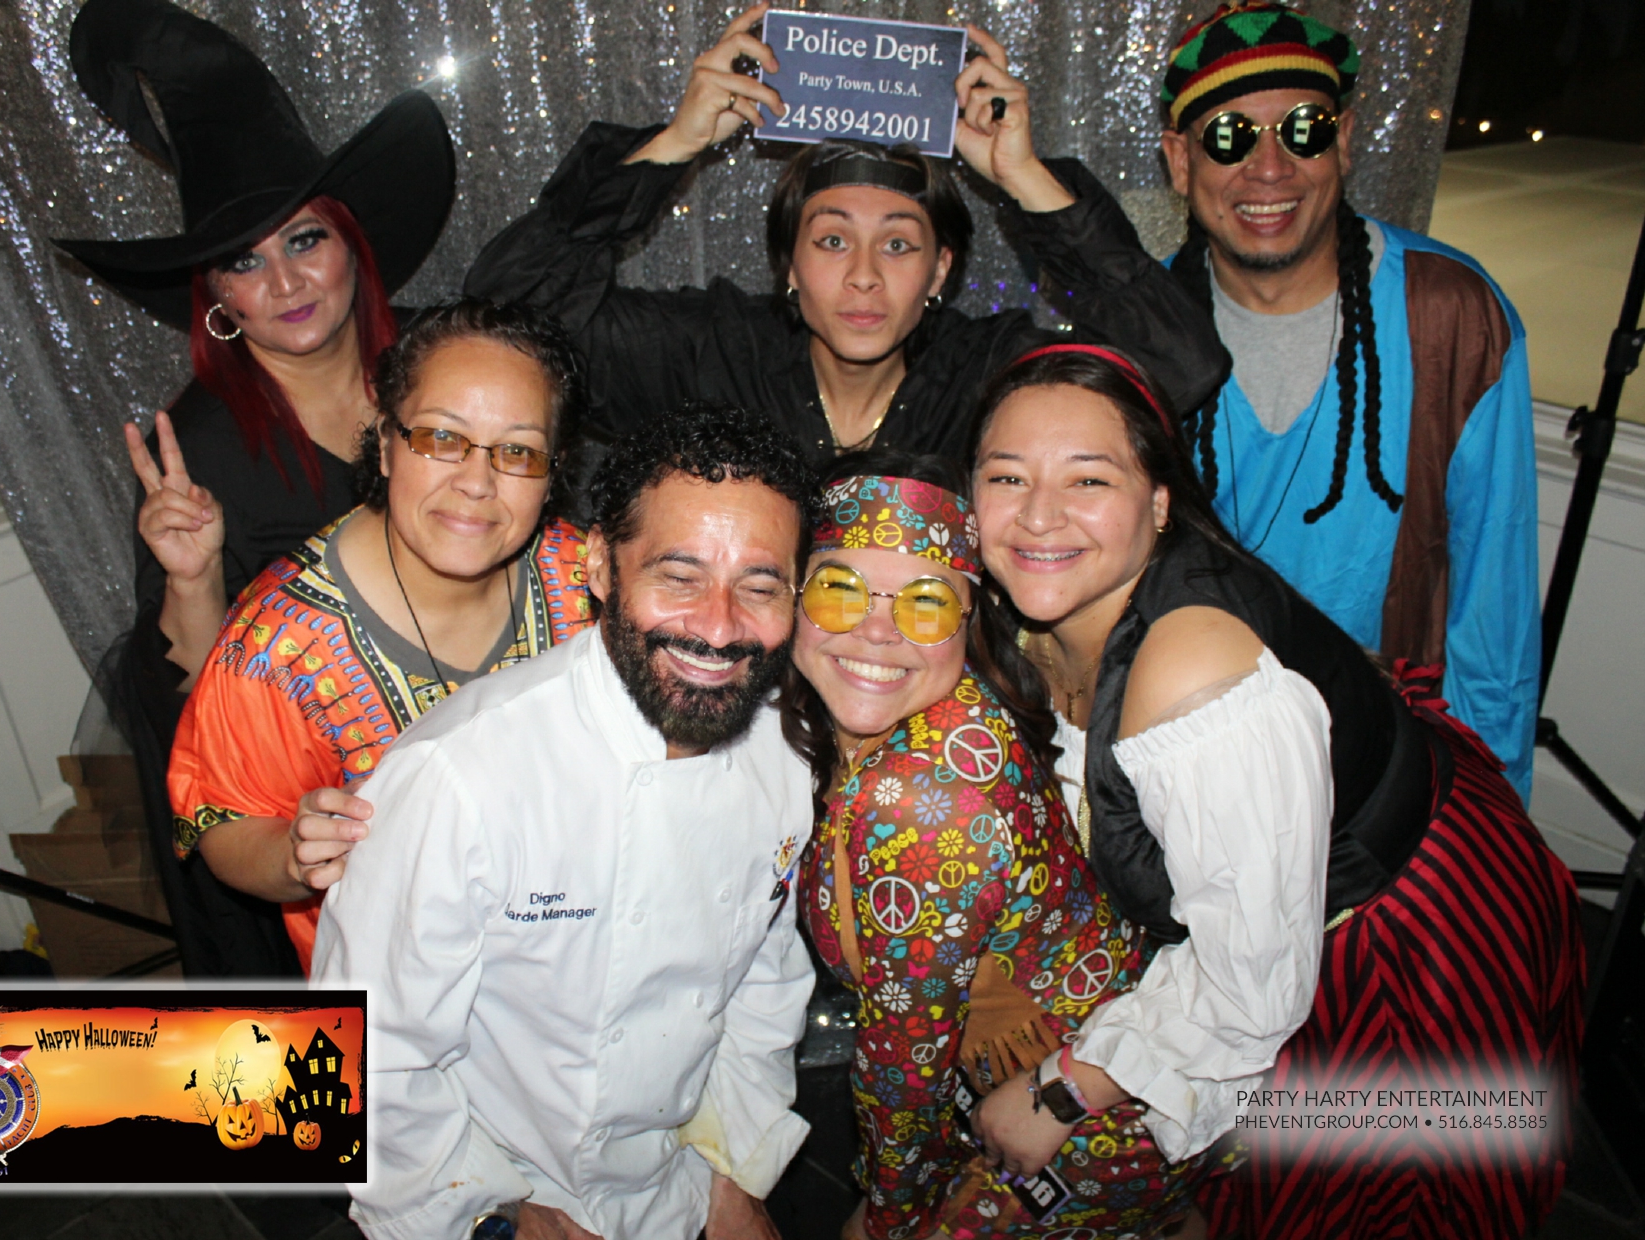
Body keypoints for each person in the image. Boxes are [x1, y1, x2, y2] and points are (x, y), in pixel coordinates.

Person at [965, 343, 1582, 1239]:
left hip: (1395, 935)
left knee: (1373, 1198)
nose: (1038, 515)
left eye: (1089, 479)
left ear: (1160, 502)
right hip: (1282, 907)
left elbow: (1251, 988)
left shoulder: (1195, 678)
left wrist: (1063, 1089)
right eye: (1007, 477)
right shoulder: (1026, 607)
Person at [313, 404, 819, 1240]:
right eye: (679, 577)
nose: (720, 626)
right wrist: (493, 1214)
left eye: (760, 587)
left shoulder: (781, 756)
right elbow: (361, 1055)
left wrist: (734, 1169)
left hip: (682, 1188)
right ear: (599, 566)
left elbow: (764, 981)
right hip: (487, 1193)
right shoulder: (461, 778)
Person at [52, 0, 454, 973]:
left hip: (466, 752)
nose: (284, 282)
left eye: (304, 240)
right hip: (317, 816)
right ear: (217, 299)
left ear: (351, 245)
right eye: (244, 260)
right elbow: (202, 706)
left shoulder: (442, 370)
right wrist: (191, 577)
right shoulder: (198, 450)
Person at [466, 3, 1226, 476]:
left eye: (898, 245)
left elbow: (1180, 366)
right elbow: (504, 319)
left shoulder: (985, 375)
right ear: (789, 265)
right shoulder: (713, 353)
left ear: (941, 270)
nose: (864, 275)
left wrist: (1026, 179)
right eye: (832, 241)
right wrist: (673, 145)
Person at [781, 454, 1211, 1239]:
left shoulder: (918, 802)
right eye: (840, 589)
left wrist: (888, 1215)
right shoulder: (942, 706)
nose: (876, 631)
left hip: (1091, 1129)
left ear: (968, 618)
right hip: (1020, 1091)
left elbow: (906, 1061)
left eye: (925, 602)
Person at [1156, 2, 1539, 797]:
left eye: (1304, 129)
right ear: (1180, 160)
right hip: (1190, 749)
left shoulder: (1451, 317)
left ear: (1346, 139)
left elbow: (1493, 602)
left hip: (1385, 765)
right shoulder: (1146, 327)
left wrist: (1487, 797)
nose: (1270, 168)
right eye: (1229, 136)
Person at [166, 300, 592, 976]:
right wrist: (292, 853)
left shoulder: (590, 585)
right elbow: (226, 825)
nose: (476, 483)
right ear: (387, 444)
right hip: (400, 995)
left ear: (553, 469)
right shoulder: (276, 647)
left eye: (518, 452)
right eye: (442, 438)